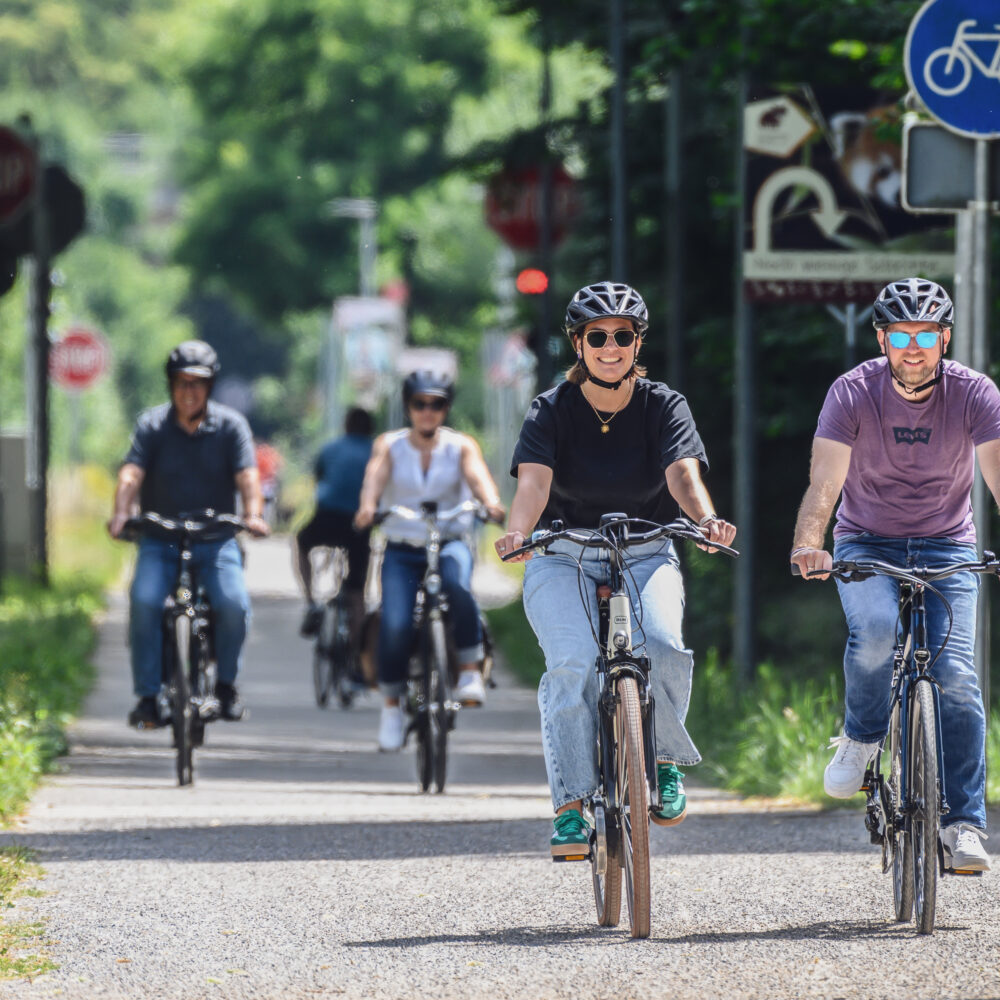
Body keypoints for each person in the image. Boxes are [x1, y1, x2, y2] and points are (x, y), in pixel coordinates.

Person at [494, 281, 736, 859]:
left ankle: (667, 761)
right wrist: (518, 532)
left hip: (648, 547)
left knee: (664, 642)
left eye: (622, 336)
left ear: (636, 343)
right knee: (572, 662)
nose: (610, 347)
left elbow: (682, 474)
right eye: (597, 336)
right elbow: (534, 482)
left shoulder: (663, 404)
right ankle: (573, 806)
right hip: (562, 552)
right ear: (578, 344)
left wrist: (705, 519)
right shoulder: (551, 408)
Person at [791, 277, 999, 873]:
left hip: (947, 544)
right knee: (877, 630)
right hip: (866, 539)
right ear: (882, 337)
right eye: (902, 334)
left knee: (956, 674)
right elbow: (825, 481)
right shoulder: (853, 392)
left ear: (945, 338)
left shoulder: (975, 394)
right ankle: (861, 735)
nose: (914, 347)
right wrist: (809, 543)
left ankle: (962, 825)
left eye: (927, 335)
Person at [109, 341, 270, 727]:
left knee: (233, 605)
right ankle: (147, 697)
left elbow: (247, 475)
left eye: (197, 383)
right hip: (160, 536)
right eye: (181, 383)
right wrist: (120, 514)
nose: (189, 391)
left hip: (215, 540)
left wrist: (253, 514)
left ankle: (226, 687)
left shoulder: (231, 426)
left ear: (210, 386)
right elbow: (132, 472)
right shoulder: (152, 425)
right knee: (145, 601)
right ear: (170, 385)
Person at [354, 371, 506, 751]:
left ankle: (469, 671)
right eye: (420, 403)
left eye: (436, 404)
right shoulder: (389, 445)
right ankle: (391, 707)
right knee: (394, 622)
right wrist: (368, 507)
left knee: (458, 587)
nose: (427, 411)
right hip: (403, 545)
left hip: (449, 539)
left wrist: (491, 504)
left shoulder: (460, 446)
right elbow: (374, 478)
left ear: (445, 408)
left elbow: (479, 478)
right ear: (408, 406)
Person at [296, 407, 374, 648]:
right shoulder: (376, 452)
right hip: (360, 522)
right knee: (356, 592)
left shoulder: (331, 448)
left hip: (328, 517)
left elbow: (320, 476)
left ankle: (311, 600)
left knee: (302, 541)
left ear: (346, 426)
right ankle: (358, 653)